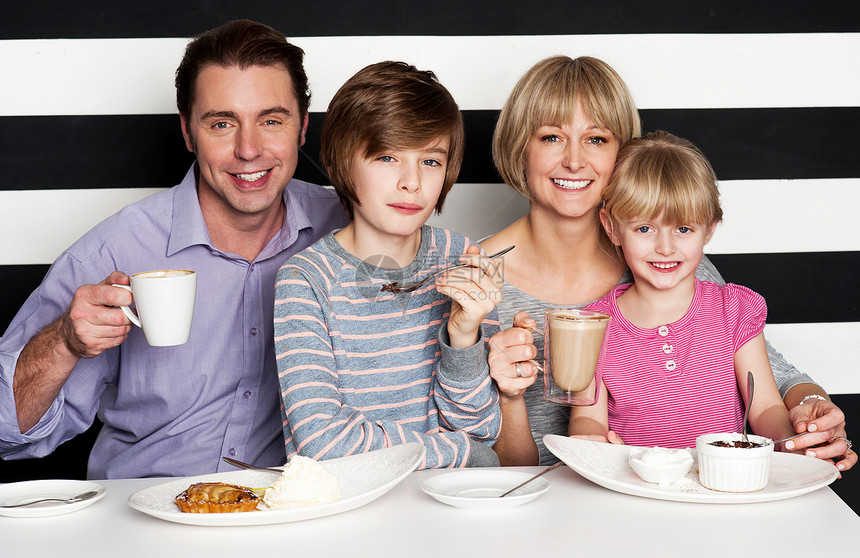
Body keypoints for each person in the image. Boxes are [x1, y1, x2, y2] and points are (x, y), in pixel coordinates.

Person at [0, 20, 349, 478]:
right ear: (188, 133)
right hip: (145, 519)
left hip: (299, 514)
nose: (249, 149)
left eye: (271, 120)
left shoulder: (348, 228)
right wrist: (64, 341)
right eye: (222, 123)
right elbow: (9, 431)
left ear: (302, 128)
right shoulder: (111, 253)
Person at [482, 55, 856, 471]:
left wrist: (811, 414)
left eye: (597, 139)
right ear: (520, 148)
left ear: (624, 157)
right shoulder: (473, 279)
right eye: (551, 137)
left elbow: (763, 376)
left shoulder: (675, 261)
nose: (574, 160)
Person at [273, 61, 502, 468]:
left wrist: (463, 336)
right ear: (345, 162)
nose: (411, 182)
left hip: (449, 506)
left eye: (430, 161)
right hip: (350, 513)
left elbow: (484, 429)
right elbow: (324, 443)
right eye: (387, 157)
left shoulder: (464, 258)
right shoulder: (305, 280)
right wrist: (461, 452)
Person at [569, 130, 795, 446]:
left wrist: (790, 444)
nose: (665, 247)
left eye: (683, 228)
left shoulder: (734, 310)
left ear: (708, 230)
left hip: (721, 488)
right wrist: (593, 445)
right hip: (633, 490)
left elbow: (766, 406)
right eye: (644, 228)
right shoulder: (592, 326)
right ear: (612, 228)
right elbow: (587, 419)